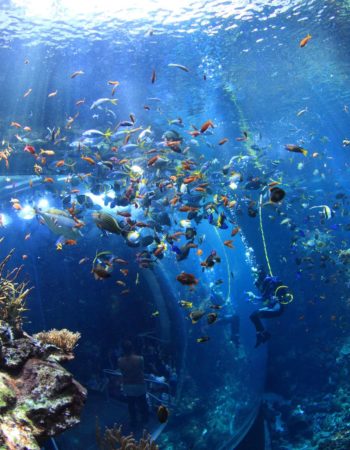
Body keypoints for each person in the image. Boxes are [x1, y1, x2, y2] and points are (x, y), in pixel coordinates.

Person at [118, 340, 149, 427]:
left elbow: (122, 371)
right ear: (132, 348)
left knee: (131, 404)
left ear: (123, 350)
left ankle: (134, 421)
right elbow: (142, 369)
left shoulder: (120, 361)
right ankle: (145, 419)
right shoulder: (140, 359)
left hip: (128, 385)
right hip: (139, 384)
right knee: (143, 402)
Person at [248, 273, 285, 348]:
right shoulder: (267, 283)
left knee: (254, 315)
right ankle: (262, 334)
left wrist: (254, 296)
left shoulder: (267, 282)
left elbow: (264, 297)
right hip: (274, 307)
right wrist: (254, 296)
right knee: (253, 316)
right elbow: (265, 297)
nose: (258, 287)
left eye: (257, 284)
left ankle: (264, 335)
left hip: (277, 307)